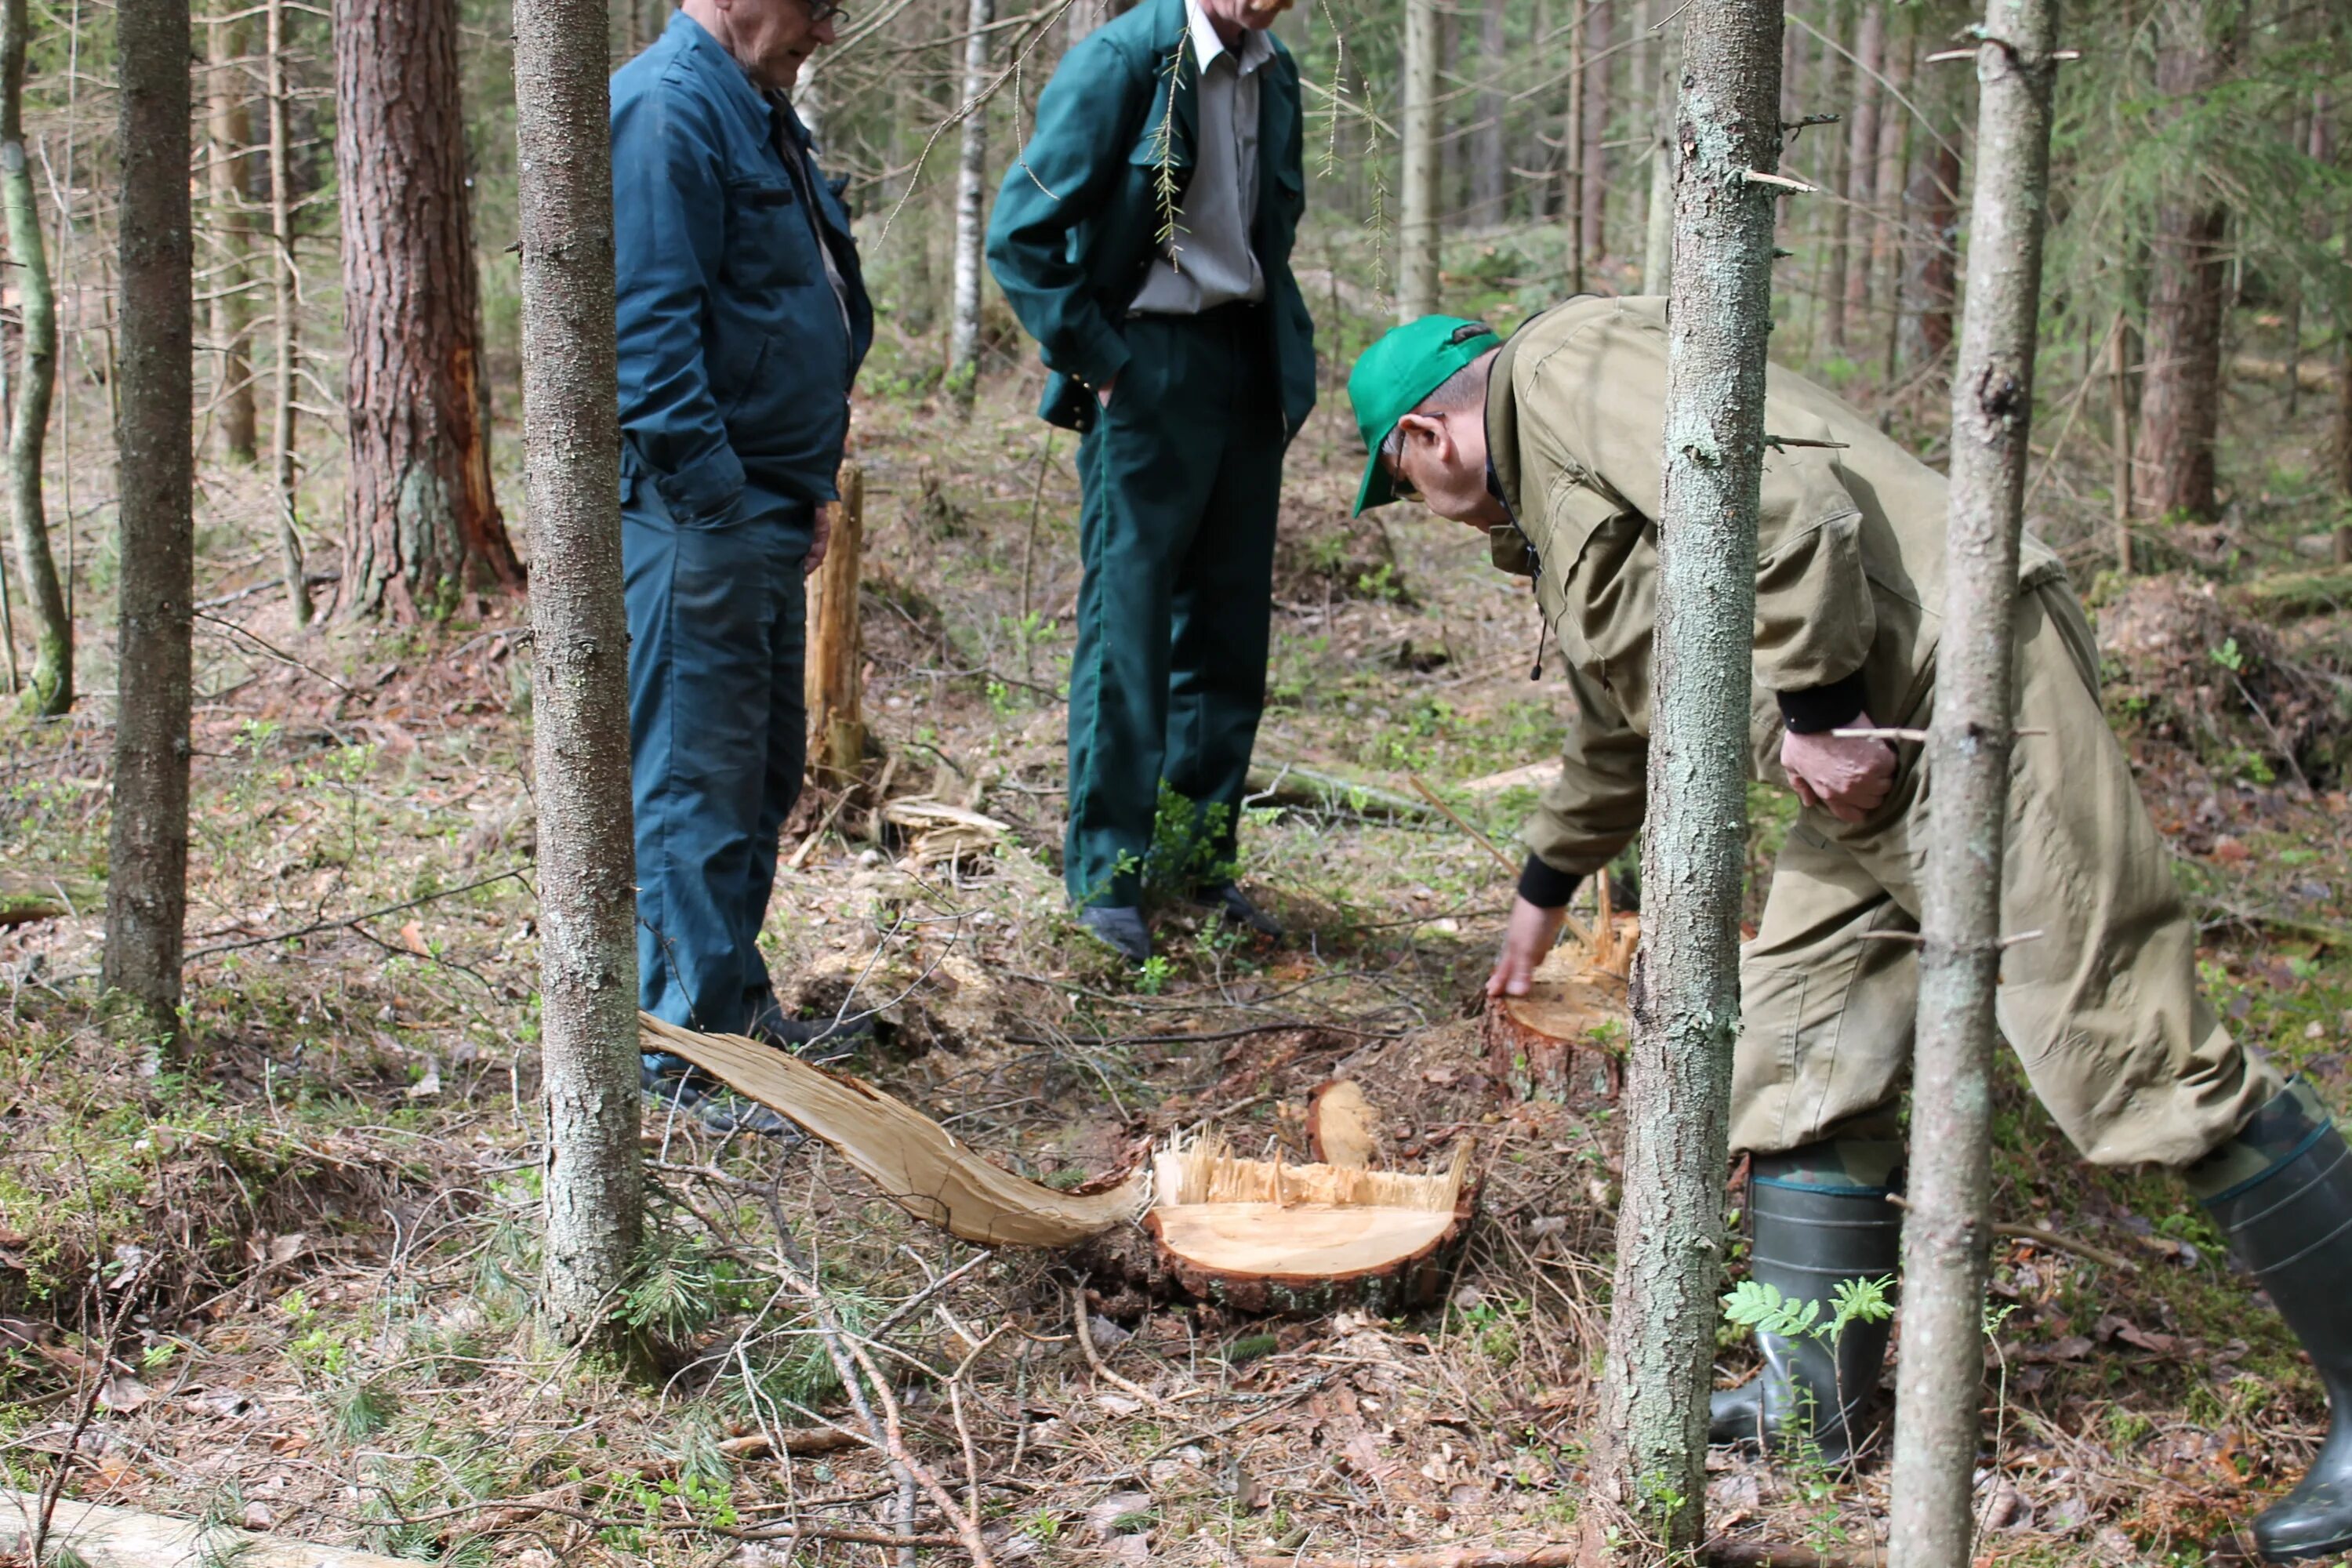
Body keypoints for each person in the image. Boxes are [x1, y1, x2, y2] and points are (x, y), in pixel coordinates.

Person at [1347, 298, 2350, 1565]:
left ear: (1422, 441)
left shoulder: (1561, 371)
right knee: (1796, 1051)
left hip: (1957, 690)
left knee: (2124, 1052)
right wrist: (1545, 887)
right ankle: (1814, 1407)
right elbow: (1627, 707)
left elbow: (1782, 503)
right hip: (1868, 762)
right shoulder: (1550, 487)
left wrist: (1815, 709)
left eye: (1410, 491)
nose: (1446, 521)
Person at [985, 0, 1317, 964]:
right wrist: (1106, 358)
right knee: (1127, 625)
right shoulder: (1124, 61)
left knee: (1227, 628)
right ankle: (1109, 875)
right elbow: (1022, 236)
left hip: (1244, 364)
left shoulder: (1275, 71)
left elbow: (1270, 227)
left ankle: (1199, 860)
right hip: (1149, 362)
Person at [612, 0, 873, 1125]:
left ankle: (734, 1010)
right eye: (813, 6)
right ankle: (680, 1053)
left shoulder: (754, 107)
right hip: (696, 517)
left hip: (760, 503)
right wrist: (722, 498)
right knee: (691, 785)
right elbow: (647, 341)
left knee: (758, 777)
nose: (824, 30)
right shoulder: (668, 111)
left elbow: (787, 306)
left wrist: (805, 487)